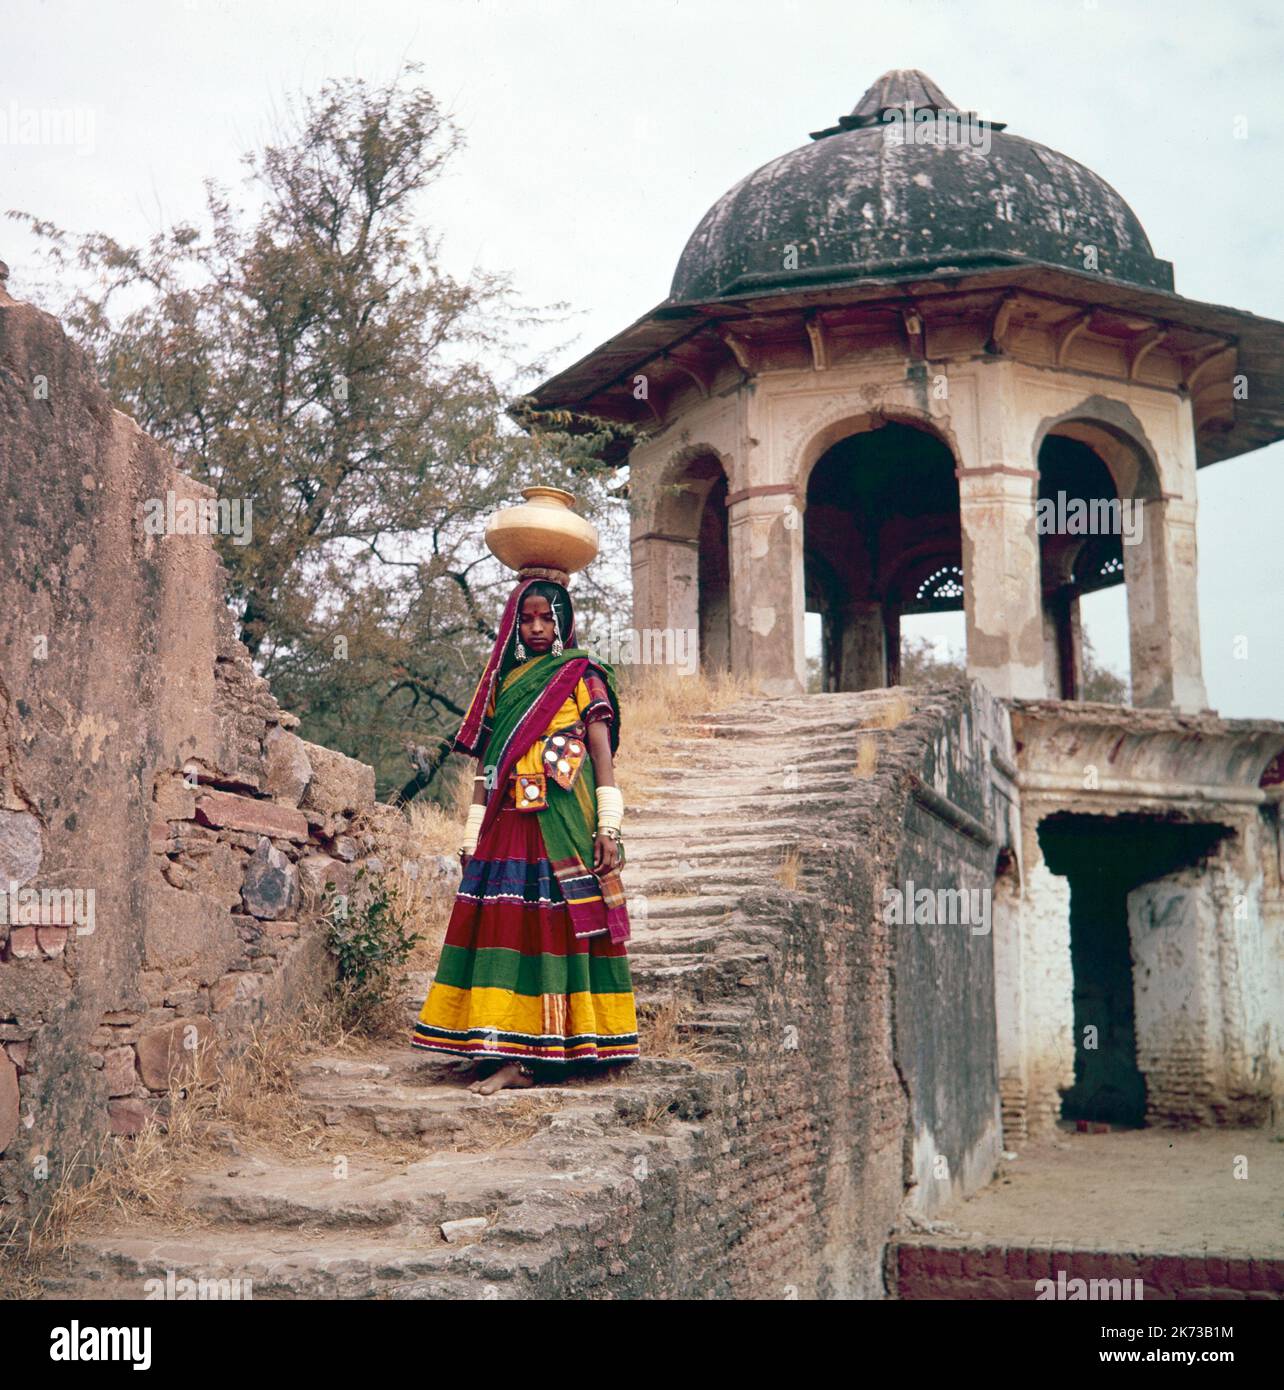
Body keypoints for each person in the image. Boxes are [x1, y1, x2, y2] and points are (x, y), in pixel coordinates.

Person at [410, 567, 639, 1093]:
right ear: (513, 626)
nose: (536, 628)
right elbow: (487, 766)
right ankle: (500, 1040)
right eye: (526, 619)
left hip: (566, 821)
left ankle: (554, 1051)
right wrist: (471, 831)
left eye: (546, 618)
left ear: (565, 622)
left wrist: (609, 826)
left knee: (558, 925)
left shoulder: (583, 675)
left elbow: (602, 754)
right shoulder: (504, 685)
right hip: (508, 821)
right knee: (506, 925)